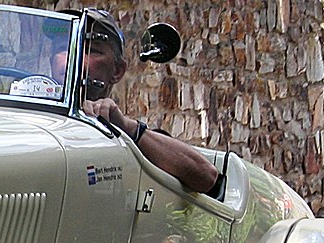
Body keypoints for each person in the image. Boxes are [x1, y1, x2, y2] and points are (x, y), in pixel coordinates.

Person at [79, 10, 220, 194]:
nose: (76, 58)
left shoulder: (133, 135)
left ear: (117, 71)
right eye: (63, 48)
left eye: (92, 51)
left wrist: (126, 127)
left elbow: (206, 177)